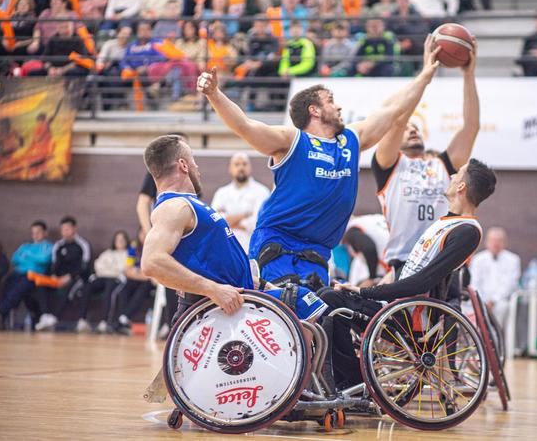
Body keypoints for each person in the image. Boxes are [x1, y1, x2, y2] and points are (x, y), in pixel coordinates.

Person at [196, 35, 442, 290]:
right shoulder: (293, 140)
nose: (339, 107)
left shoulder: (350, 140)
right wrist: (214, 95)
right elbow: (245, 126)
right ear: (314, 110)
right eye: (331, 101)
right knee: (288, 305)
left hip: (318, 250)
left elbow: (393, 109)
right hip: (279, 242)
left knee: (320, 311)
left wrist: (425, 75)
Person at [320, 158, 497, 388]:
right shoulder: (446, 222)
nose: (452, 177)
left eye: (457, 174)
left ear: (461, 186)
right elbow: (411, 270)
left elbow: (422, 281)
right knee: (325, 293)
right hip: (396, 305)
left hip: (408, 317)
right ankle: (340, 379)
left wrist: (365, 291)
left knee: (331, 300)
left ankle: (353, 381)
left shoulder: (467, 231)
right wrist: (380, 281)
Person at [139, 135, 327, 324]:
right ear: (183, 165)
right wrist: (212, 289)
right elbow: (151, 262)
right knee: (309, 303)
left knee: (310, 300)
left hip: (246, 293)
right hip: (220, 311)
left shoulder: (190, 205)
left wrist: (263, 285)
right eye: (193, 159)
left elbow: (219, 265)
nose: (197, 166)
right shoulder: (173, 206)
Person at [372, 37, 479, 277]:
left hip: (443, 262)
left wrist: (468, 75)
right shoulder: (389, 164)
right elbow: (398, 119)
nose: (412, 130)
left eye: (416, 128)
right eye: (407, 128)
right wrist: (425, 74)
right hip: (404, 262)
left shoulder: (442, 164)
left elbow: (471, 127)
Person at [0, 221, 53, 330]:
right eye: (33, 233)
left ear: (45, 233)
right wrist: (33, 259)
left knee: (19, 288)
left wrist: (26, 256)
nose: (35, 235)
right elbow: (15, 259)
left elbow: (44, 260)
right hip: (18, 273)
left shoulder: (48, 246)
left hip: (34, 276)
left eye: (38, 232)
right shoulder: (25, 246)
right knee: (5, 284)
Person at [35, 216, 91, 332]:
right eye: (63, 229)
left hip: (76, 278)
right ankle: (45, 316)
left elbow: (84, 267)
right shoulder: (58, 246)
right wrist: (54, 276)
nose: (65, 232)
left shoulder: (82, 245)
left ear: (74, 229)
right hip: (59, 278)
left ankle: (54, 318)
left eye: (67, 229)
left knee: (70, 287)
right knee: (40, 284)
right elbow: (54, 264)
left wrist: (69, 277)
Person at [210, 153, 271, 253]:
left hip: (252, 249)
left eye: (244, 164)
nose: (241, 168)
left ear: (250, 167)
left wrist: (228, 221)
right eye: (237, 164)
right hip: (226, 250)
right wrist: (244, 215)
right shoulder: (221, 193)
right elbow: (215, 222)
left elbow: (258, 222)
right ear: (230, 168)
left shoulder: (262, 192)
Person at [78, 230, 131, 334]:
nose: (120, 242)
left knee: (109, 291)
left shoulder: (129, 254)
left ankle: (104, 322)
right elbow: (98, 265)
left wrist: (109, 269)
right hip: (101, 277)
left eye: (122, 240)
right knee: (87, 288)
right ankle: (82, 320)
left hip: (116, 279)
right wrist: (112, 269)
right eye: (118, 239)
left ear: (126, 241)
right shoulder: (107, 253)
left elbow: (124, 269)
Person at [469, 227, 521, 327]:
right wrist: (483, 300)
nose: (495, 244)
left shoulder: (513, 260)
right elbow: (474, 282)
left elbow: (510, 284)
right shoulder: (478, 259)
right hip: (481, 299)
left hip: (501, 301)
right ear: (486, 242)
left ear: (504, 243)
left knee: (502, 308)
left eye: (499, 241)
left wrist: (493, 300)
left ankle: (494, 335)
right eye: (493, 240)